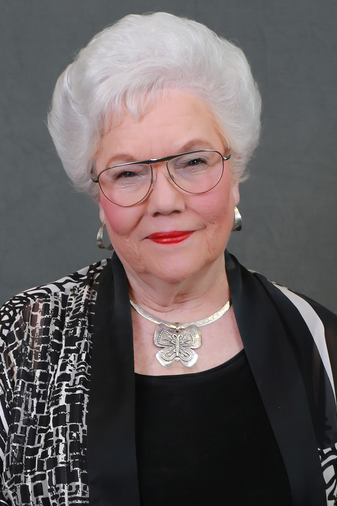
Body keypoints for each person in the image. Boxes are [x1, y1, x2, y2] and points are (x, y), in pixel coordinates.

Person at [0, 12, 336, 506]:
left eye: (193, 162)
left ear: (235, 170)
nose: (164, 201)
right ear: (99, 195)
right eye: (129, 173)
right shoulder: (20, 344)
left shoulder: (318, 343)